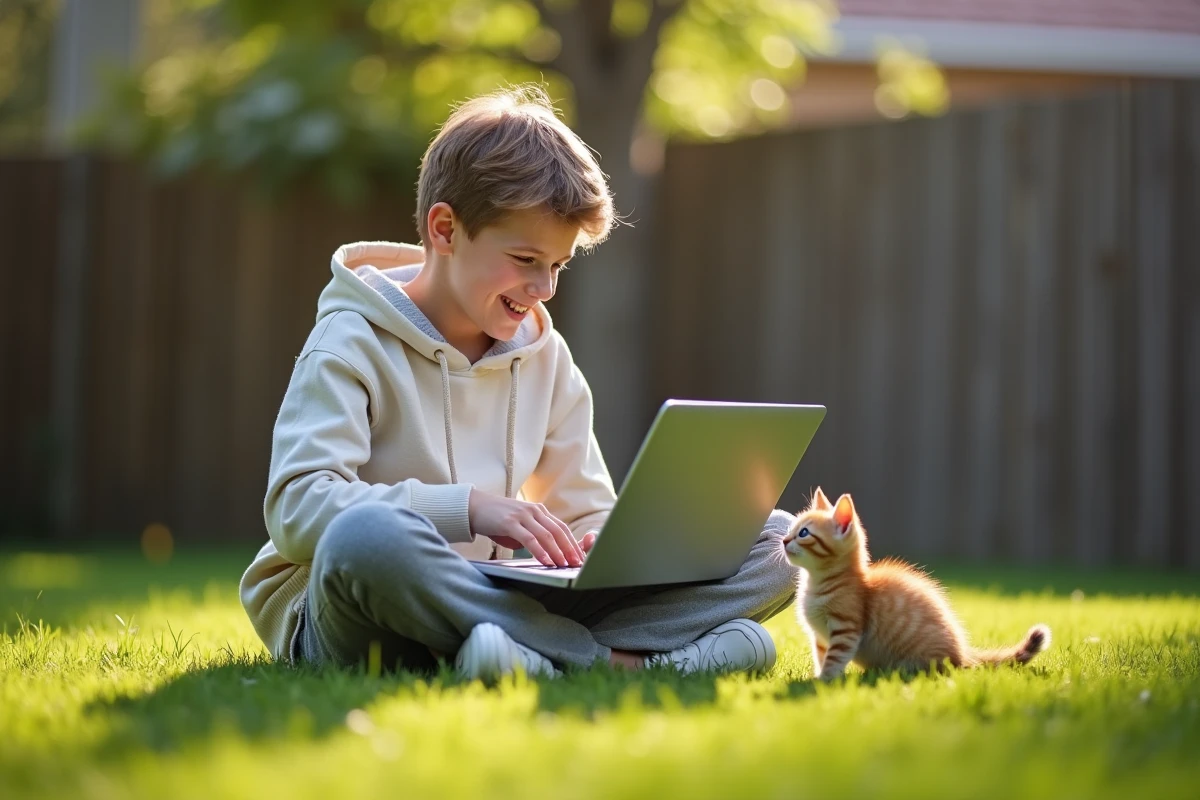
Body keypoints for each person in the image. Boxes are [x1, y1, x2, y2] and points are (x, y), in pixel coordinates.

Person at [238, 85, 797, 682]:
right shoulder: (349, 341)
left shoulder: (544, 357)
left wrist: (610, 543)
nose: (546, 288)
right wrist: (469, 509)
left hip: (494, 599)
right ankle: (618, 661)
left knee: (781, 543)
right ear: (446, 230)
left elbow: (585, 513)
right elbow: (297, 508)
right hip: (359, 609)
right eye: (527, 259)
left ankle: (512, 655)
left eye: (558, 265)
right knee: (366, 537)